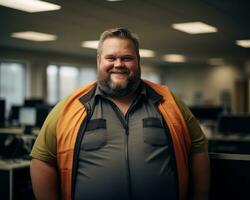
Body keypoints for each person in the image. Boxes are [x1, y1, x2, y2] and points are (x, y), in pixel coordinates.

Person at [30, 28, 210, 200]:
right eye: (111, 58)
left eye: (127, 58)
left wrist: (200, 196)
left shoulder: (169, 102)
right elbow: (42, 159)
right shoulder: (70, 106)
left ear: (138, 60)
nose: (118, 64)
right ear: (99, 60)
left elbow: (198, 148)